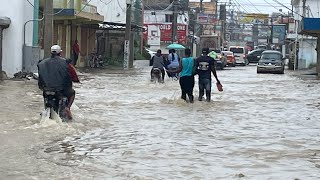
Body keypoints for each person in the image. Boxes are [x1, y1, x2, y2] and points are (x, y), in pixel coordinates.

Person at [38, 45, 77, 119]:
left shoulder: (42, 63)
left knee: (45, 95)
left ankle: (46, 110)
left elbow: (40, 77)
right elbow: (74, 76)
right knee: (72, 93)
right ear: (60, 53)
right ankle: (67, 108)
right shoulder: (66, 63)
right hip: (61, 90)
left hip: (46, 89)